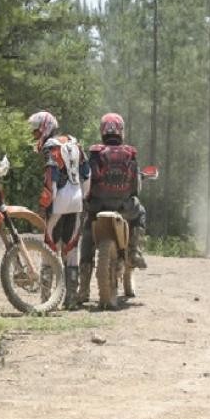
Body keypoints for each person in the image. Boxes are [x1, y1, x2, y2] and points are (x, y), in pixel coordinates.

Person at [77, 112, 148, 308]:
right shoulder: (130, 153)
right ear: (120, 130)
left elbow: (87, 181)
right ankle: (134, 251)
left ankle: (83, 288)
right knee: (140, 212)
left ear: (102, 130)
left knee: (88, 234)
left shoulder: (95, 153)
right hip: (123, 207)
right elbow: (135, 187)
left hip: (97, 207)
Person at [28, 111, 90, 309]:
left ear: (45, 127)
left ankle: (47, 299)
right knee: (71, 249)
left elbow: (51, 178)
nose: (35, 136)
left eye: (36, 131)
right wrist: (84, 197)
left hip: (58, 201)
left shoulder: (51, 147)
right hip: (77, 200)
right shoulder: (74, 143)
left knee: (49, 247)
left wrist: (44, 204)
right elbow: (86, 174)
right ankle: (71, 300)